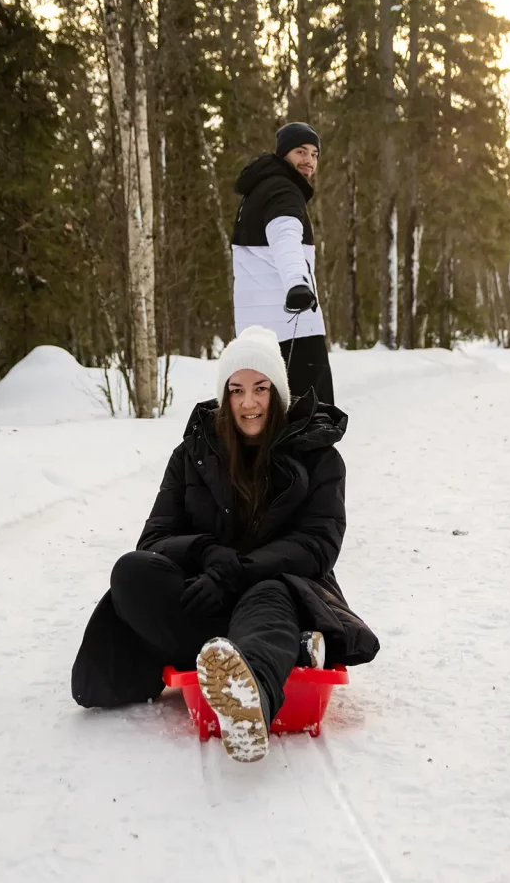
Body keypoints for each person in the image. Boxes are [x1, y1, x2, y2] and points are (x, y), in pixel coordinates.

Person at [71, 326, 379, 763]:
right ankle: (275, 652)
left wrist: (241, 569)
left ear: (278, 394)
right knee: (131, 570)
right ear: (224, 396)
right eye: (236, 390)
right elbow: (155, 538)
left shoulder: (320, 458)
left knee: (271, 593)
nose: (248, 403)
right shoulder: (192, 455)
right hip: (205, 595)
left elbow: (317, 545)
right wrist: (206, 554)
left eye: (260, 389)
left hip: (277, 591)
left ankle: (249, 694)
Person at [231, 122, 335, 404]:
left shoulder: (259, 190)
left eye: (314, 154)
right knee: (314, 422)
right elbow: (285, 238)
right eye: (301, 151)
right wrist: (298, 284)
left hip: (254, 332)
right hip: (293, 329)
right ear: (283, 154)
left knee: (266, 425)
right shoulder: (284, 191)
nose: (309, 161)